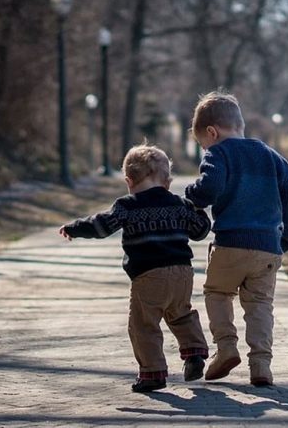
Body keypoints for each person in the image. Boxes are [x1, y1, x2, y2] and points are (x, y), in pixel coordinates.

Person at [59, 145, 211, 393]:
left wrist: (75, 228)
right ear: (168, 182)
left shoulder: (127, 206)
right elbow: (200, 231)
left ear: (128, 181)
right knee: (181, 313)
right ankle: (194, 353)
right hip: (182, 273)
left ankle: (152, 373)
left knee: (143, 324)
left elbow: (101, 226)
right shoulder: (179, 204)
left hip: (149, 275)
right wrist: (199, 209)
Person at [185, 91, 288, 387]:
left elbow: (208, 189)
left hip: (230, 243)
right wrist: (286, 238)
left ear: (212, 132)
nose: (205, 149)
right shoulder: (271, 156)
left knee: (217, 293)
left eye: (202, 144)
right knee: (260, 304)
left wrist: (191, 194)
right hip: (267, 247)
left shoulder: (218, 153)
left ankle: (226, 348)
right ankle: (261, 365)